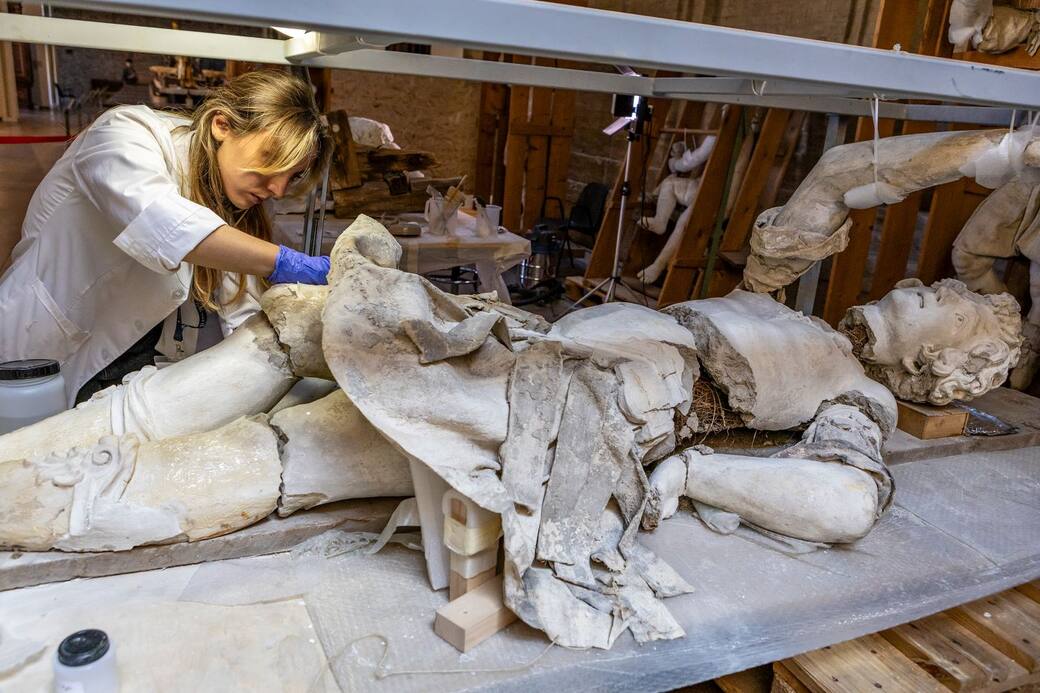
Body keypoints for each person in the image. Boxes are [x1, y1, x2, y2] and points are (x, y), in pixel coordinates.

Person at [0, 70, 333, 405]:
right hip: (49, 349)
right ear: (222, 125)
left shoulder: (240, 195)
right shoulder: (124, 135)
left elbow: (239, 307)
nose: (277, 188)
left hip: (138, 366)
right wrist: (284, 262)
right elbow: (164, 225)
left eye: (292, 176)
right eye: (270, 159)